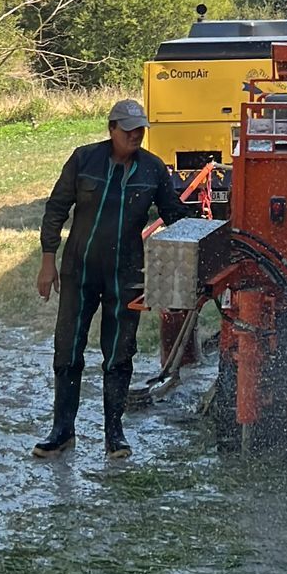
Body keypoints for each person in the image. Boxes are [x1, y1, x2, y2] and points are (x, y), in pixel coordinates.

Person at [33, 99, 184, 460]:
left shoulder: (153, 169)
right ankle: (62, 431)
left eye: (141, 129)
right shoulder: (83, 160)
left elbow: (174, 214)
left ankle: (114, 434)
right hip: (79, 269)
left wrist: (208, 230)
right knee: (68, 350)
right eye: (128, 129)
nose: (136, 135)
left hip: (126, 274)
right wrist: (47, 260)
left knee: (119, 354)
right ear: (111, 129)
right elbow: (56, 209)